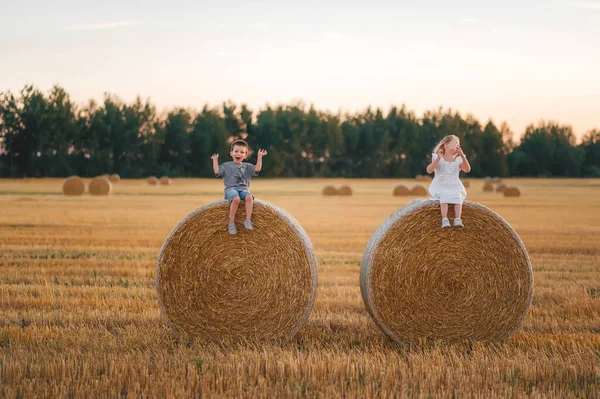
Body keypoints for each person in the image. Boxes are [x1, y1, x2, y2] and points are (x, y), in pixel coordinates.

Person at [211, 140, 267, 234]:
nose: (238, 154)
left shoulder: (247, 167)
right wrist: (215, 160)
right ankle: (231, 222)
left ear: (245, 155)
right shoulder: (227, 166)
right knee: (236, 199)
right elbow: (217, 171)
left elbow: (257, 168)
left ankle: (248, 220)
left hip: (243, 189)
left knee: (249, 197)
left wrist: (260, 156)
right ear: (231, 153)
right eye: (236, 151)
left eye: (242, 152)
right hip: (230, 189)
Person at [426, 135, 471, 228]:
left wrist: (463, 156)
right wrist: (438, 158)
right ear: (446, 145)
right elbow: (429, 170)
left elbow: (467, 169)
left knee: (458, 196)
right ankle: (445, 219)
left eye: (459, 144)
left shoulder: (458, 160)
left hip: (454, 185)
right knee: (444, 195)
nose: (458, 145)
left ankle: (458, 219)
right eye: (456, 143)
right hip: (441, 185)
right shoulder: (438, 158)